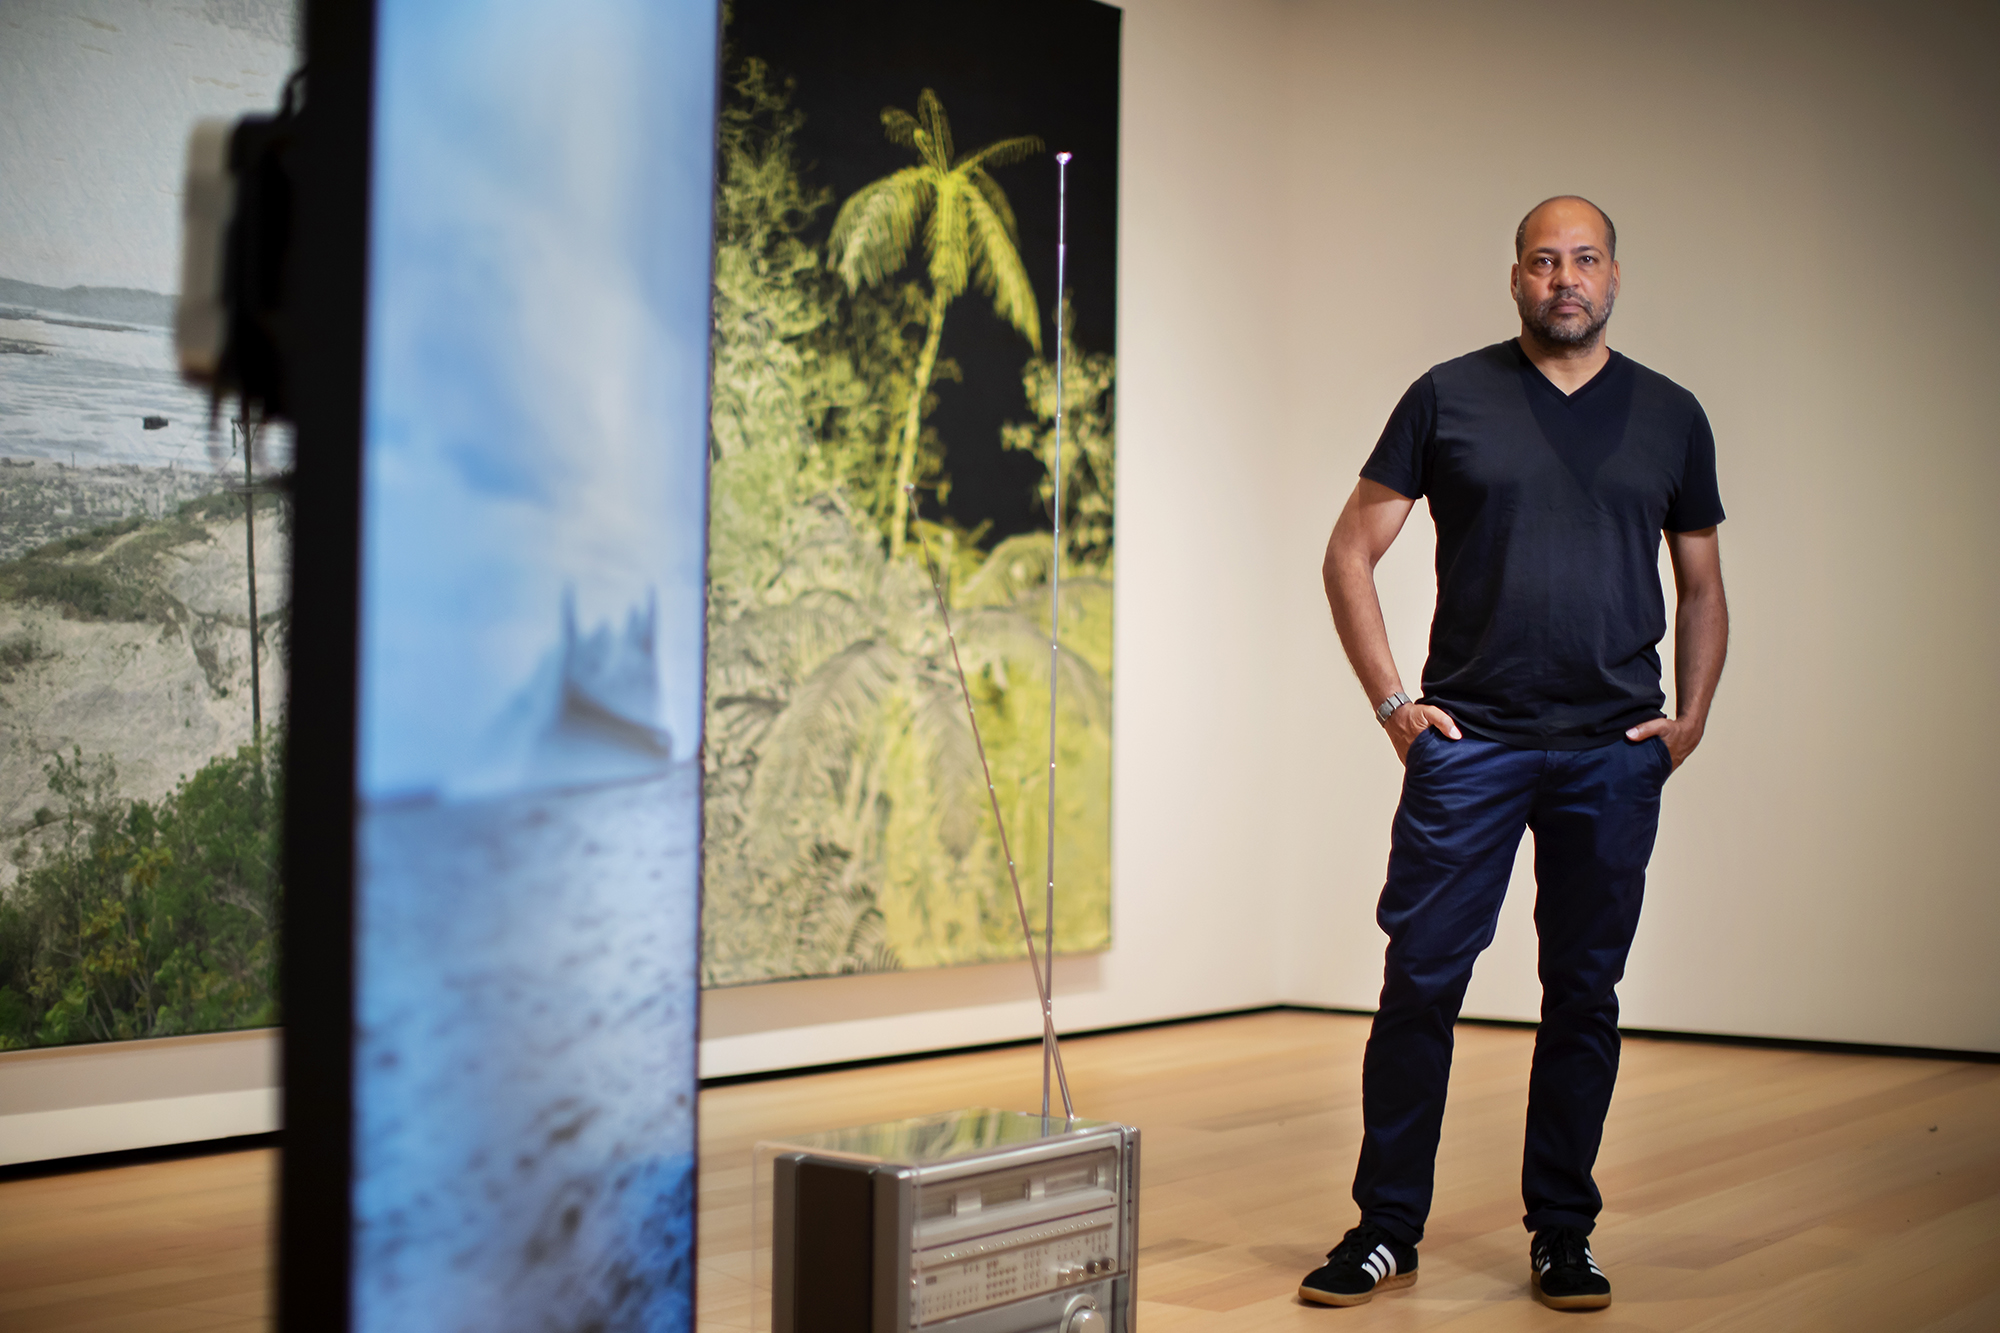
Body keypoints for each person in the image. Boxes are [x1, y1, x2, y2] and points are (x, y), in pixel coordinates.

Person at [1299, 196, 1729, 1312]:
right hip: (1470, 742)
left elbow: (1698, 585)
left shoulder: (1670, 415)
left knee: (1581, 992)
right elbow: (1349, 552)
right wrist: (1395, 703)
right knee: (1418, 985)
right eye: (1543, 261)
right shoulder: (1448, 396)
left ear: (1615, 276)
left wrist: (1688, 718)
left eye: (1583, 260)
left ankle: (1562, 1233)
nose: (1563, 279)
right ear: (1514, 278)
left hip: (1610, 748)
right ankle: (1384, 1227)